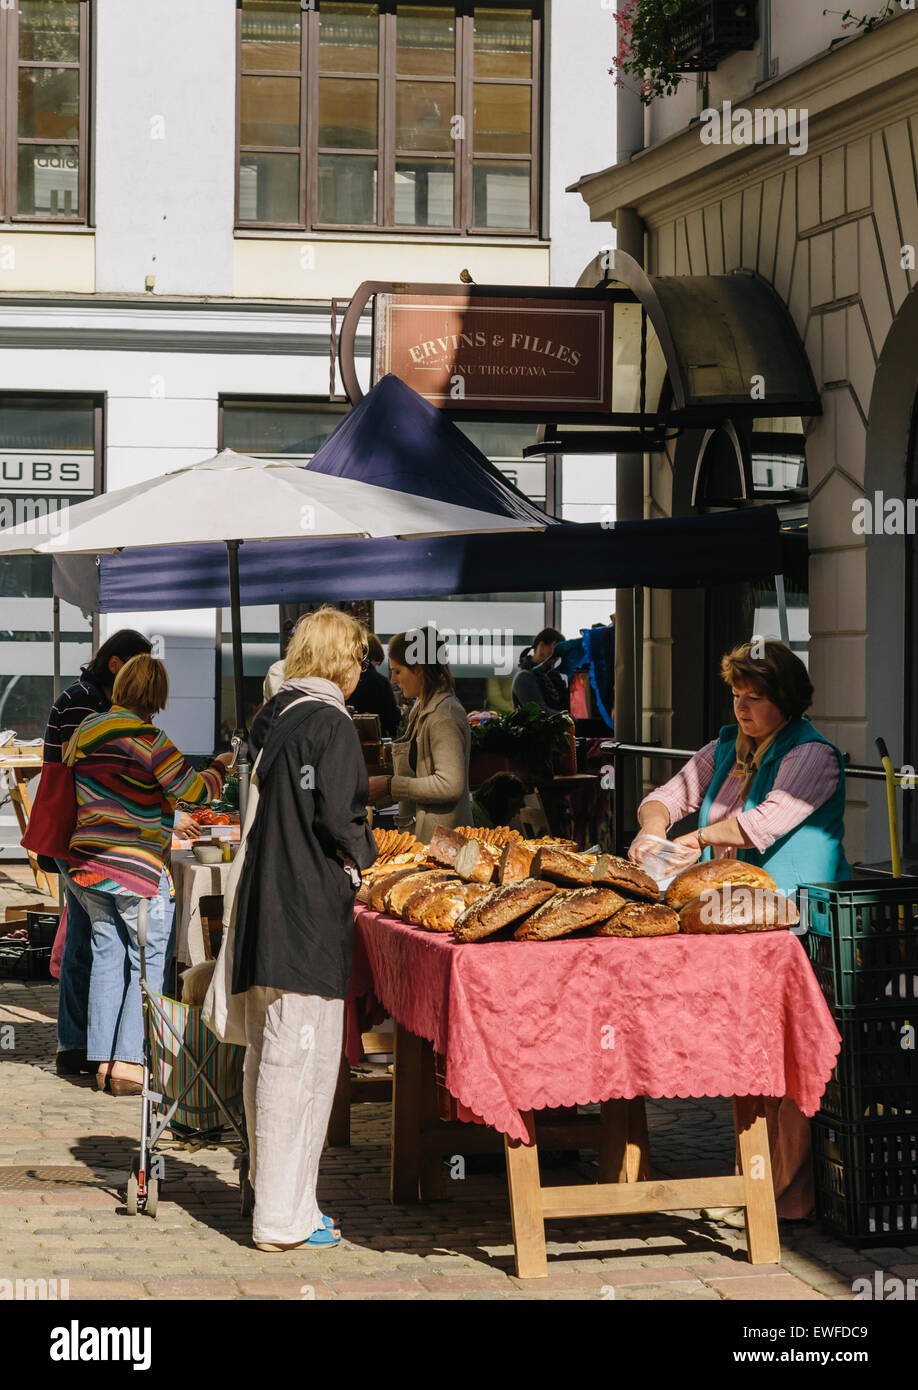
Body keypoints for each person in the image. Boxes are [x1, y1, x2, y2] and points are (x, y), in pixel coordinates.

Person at [629, 639, 850, 1226]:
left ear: (787, 701)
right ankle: (751, 1181)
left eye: (755, 699)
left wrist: (694, 841)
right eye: (736, 696)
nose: (742, 709)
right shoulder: (727, 746)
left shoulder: (813, 755)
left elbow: (763, 822)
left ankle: (784, 1196)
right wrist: (654, 832)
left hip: (800, 927)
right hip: (740, 926)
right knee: (748, 1055)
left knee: (785, 1057)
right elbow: (667, 796)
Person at [231, 607, 378, 1252]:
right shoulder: (330, 723)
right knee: (304, 1061)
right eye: (358, 659)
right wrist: (371, 862)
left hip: (265, 902)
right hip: (308, 908)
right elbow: (342, 819)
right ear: (341, 660)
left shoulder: (278, 715)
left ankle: (273, 1197)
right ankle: (285, 1218)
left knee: (268, 1053)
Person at [61, 655, 231, 1095]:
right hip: (136, 867)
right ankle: (131, 1065)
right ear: (155, 696)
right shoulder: (150, 739)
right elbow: (194, 791)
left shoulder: (86, 731)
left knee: (107, 957)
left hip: (88, 863)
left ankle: (101, 1061)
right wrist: (221, 766)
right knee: (148, 961)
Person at [42, 628, 153, 1077]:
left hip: (79, 840)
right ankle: (87, 1045)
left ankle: (82, 1047)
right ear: (116, 665)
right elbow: (101, 778)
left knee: (88, 939)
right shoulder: (86, 705)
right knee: (92, 943)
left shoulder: (83, 700)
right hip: (85, 840)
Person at [367, 627, 472, 841]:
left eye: (397, 671)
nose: (392, 680)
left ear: (419, 669)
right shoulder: (420, 709)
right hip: (425, 839)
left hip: (445, 844)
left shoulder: (445, 715)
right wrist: (381, 793)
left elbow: (449, 785)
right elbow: (418, 777)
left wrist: (389, 785)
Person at [349, 632, 400, 738]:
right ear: (376, 654)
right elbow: (391, 718)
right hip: (375, 738)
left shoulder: (348, 680)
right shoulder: (381, 682)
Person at [511, 627, 568, 712]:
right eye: (556, 649)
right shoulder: (524, 677)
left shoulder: (553, 676)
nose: (558, 656)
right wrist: (567, 717)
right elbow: (538, 712)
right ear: (541, 646)